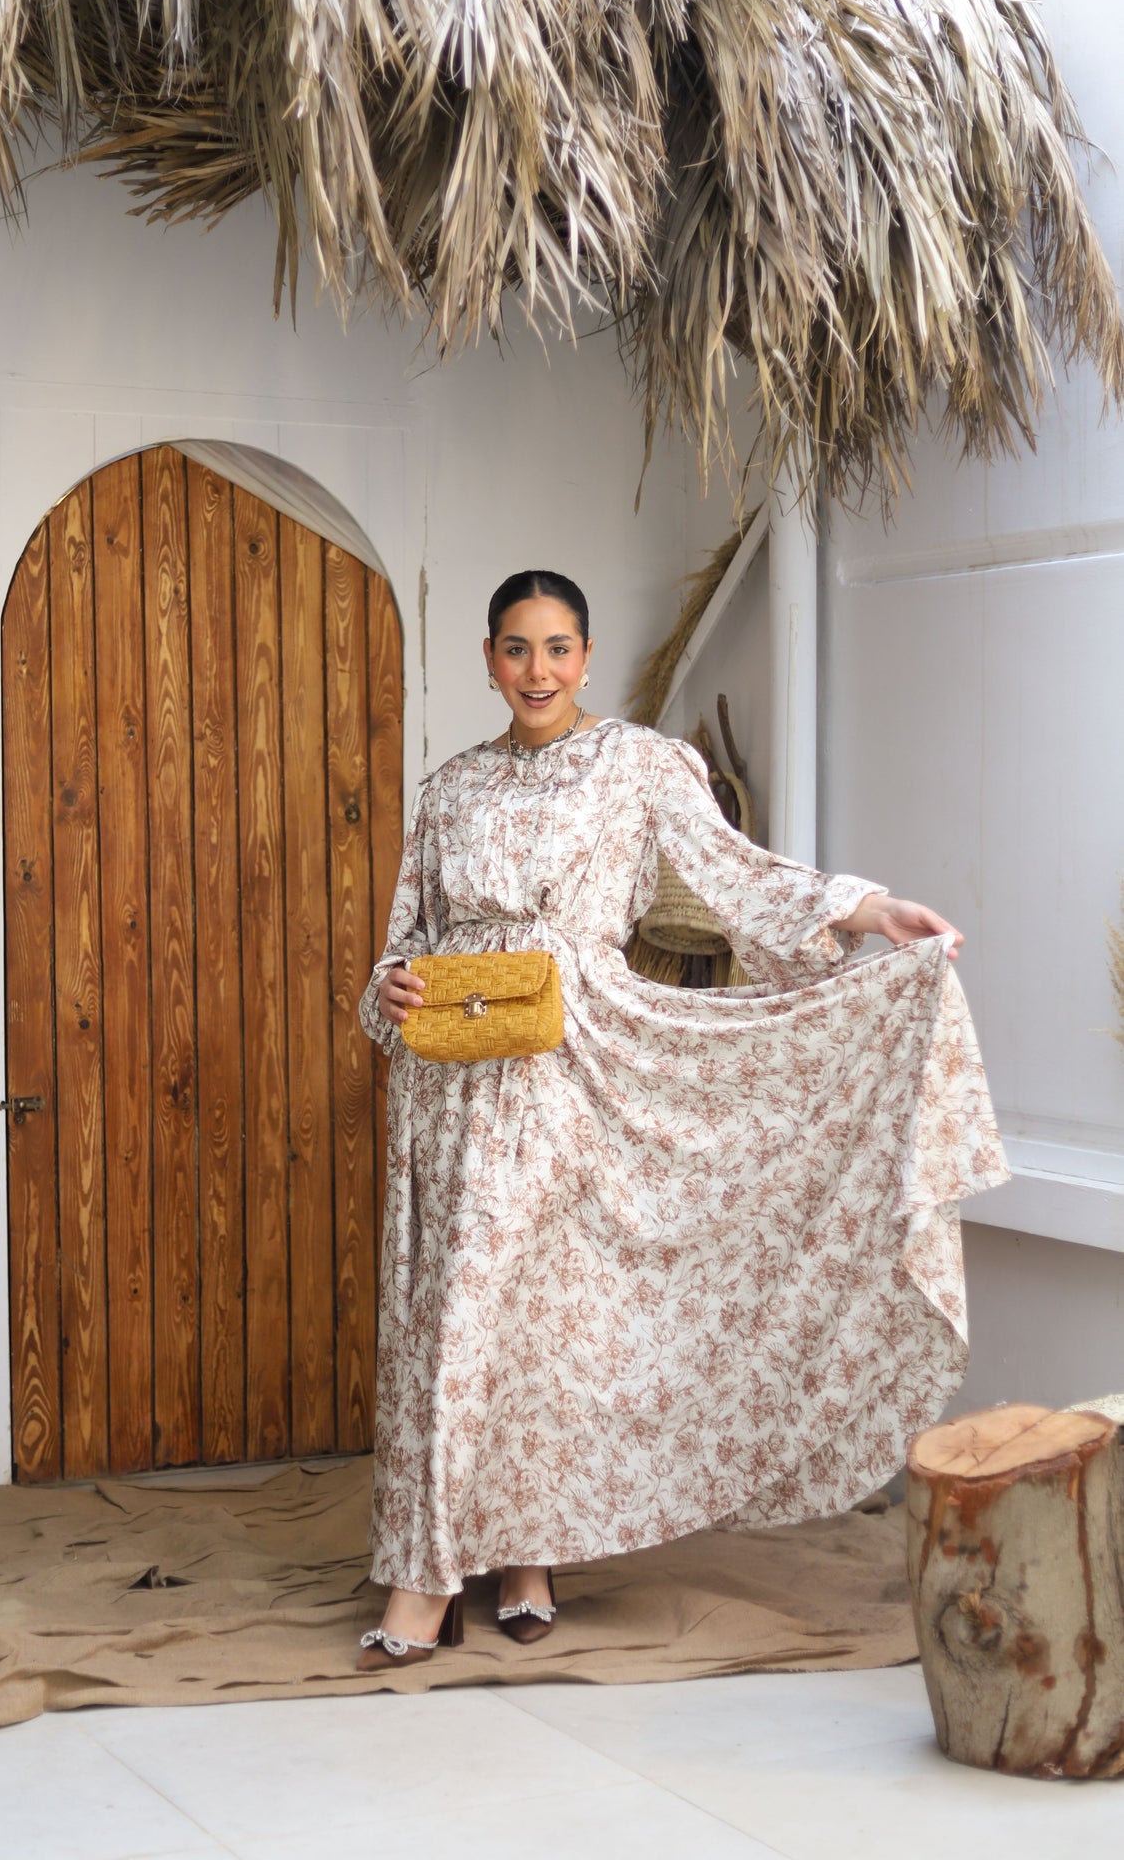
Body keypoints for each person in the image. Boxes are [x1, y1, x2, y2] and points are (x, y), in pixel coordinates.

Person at [355, 568, 1008, 1667]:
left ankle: (488, 1562)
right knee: (447, 1323)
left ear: (586, 653)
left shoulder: (639, 765)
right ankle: (441, 1557)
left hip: (580, 1062)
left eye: (557, 647)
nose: (536, 671)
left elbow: (737, 875)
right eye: (515, 648)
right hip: (450, 1081)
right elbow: (400, 938)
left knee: (542, 1314)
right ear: (485, 658)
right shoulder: (447, 789)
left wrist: (866, 906)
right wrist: (390, 989)